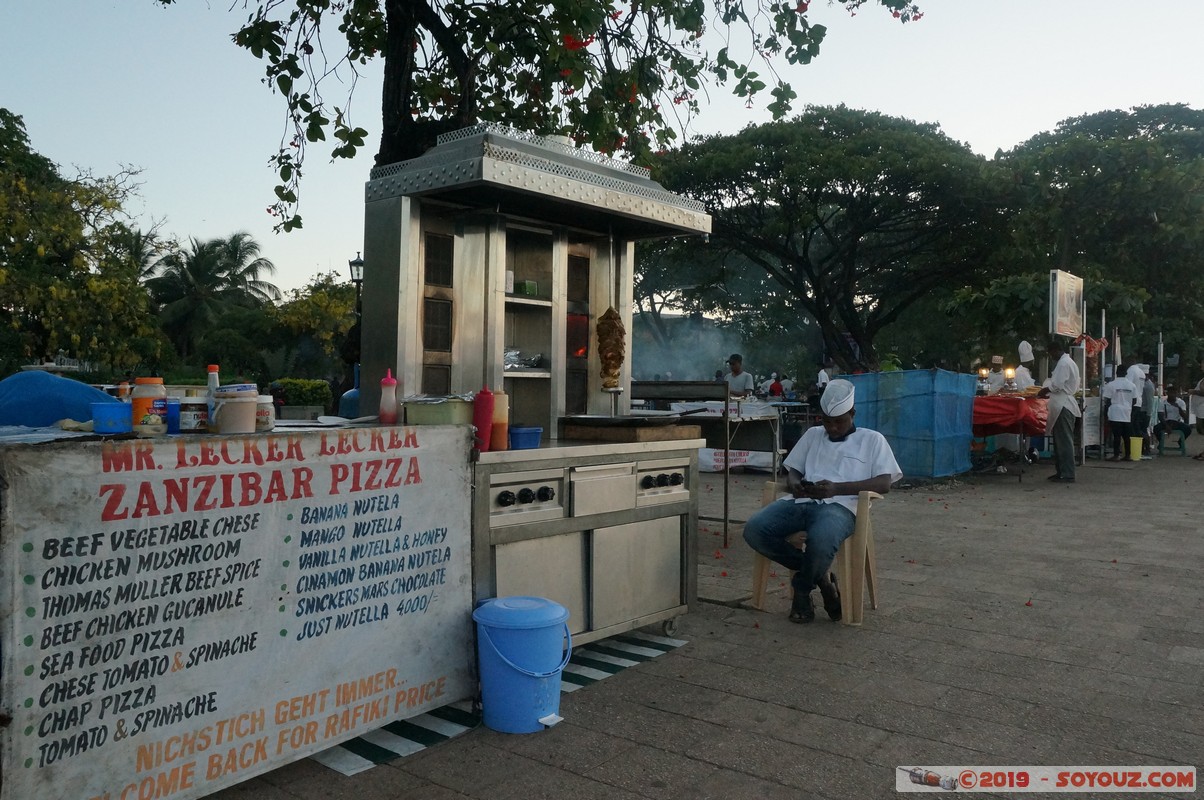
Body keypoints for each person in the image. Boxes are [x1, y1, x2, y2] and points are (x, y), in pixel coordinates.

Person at [742, 379, 901, 624]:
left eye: (839, 421)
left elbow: (884, 484)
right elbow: (793, 470)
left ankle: (802, 590)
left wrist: (836, 489)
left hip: (842, 506)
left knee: (822, 539)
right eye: (827, 422)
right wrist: (795, 483)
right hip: (802, 502)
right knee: (755, 530)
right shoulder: (813, 435)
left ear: (852, 413)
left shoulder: (872, 440)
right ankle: (824, 581)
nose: (833, 428)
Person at [1037, 340, 1080, 483]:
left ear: (1055, 350)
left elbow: (1057, 385)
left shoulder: (1064, 363)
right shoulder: (1067, 362)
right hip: (1059, 403)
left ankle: (1067, 473)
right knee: (1058, 441)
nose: (1051, 356)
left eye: (1051, 353)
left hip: (1064, 405)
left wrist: (1045, 390)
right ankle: (1061, 471)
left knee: (1064, 441)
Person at [1101, 366, 1137, 461]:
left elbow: (1107, 400)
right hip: (1127, 412)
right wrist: (1128, 406)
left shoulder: (1111, 385)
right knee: (1126, 436)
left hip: (1115, 412)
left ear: (1116, 373)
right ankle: (1128, 455)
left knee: (1116, 435)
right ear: (1126, 373)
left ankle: (1116, 455)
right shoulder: (1132, 385)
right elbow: (1135, 400)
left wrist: (1105, 414)